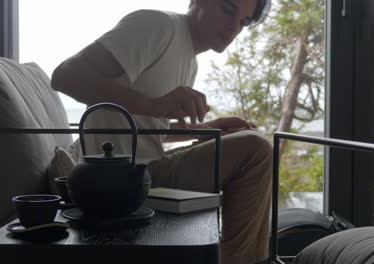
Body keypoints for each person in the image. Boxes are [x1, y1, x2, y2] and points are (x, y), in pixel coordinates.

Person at [51, 0, 273, 263]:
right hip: (122, 181)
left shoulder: (189, 58)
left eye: (243, 22)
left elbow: (152, 128)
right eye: (228, 10)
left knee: (244, 141)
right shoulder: (158, 26)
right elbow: (65, 75)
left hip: (142, 171)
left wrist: (205, 129)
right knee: (256, 150)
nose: (233, 27)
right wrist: (155, 105)